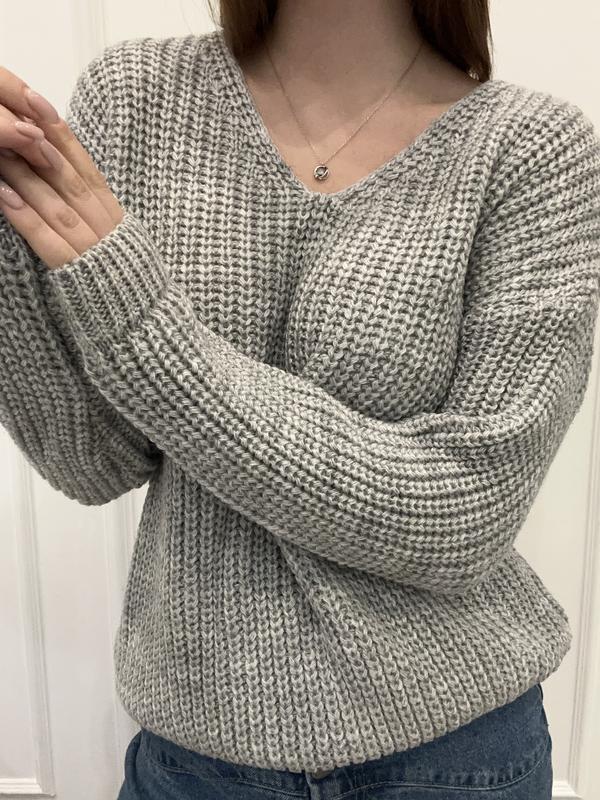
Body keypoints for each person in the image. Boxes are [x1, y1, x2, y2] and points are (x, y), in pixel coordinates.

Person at [0, 0, 598, 797]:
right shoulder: (133, 96)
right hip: (195, 753)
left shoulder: (534, 150)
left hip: (453, 758)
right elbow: (97, 462)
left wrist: (144, 324)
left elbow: (466, 515)